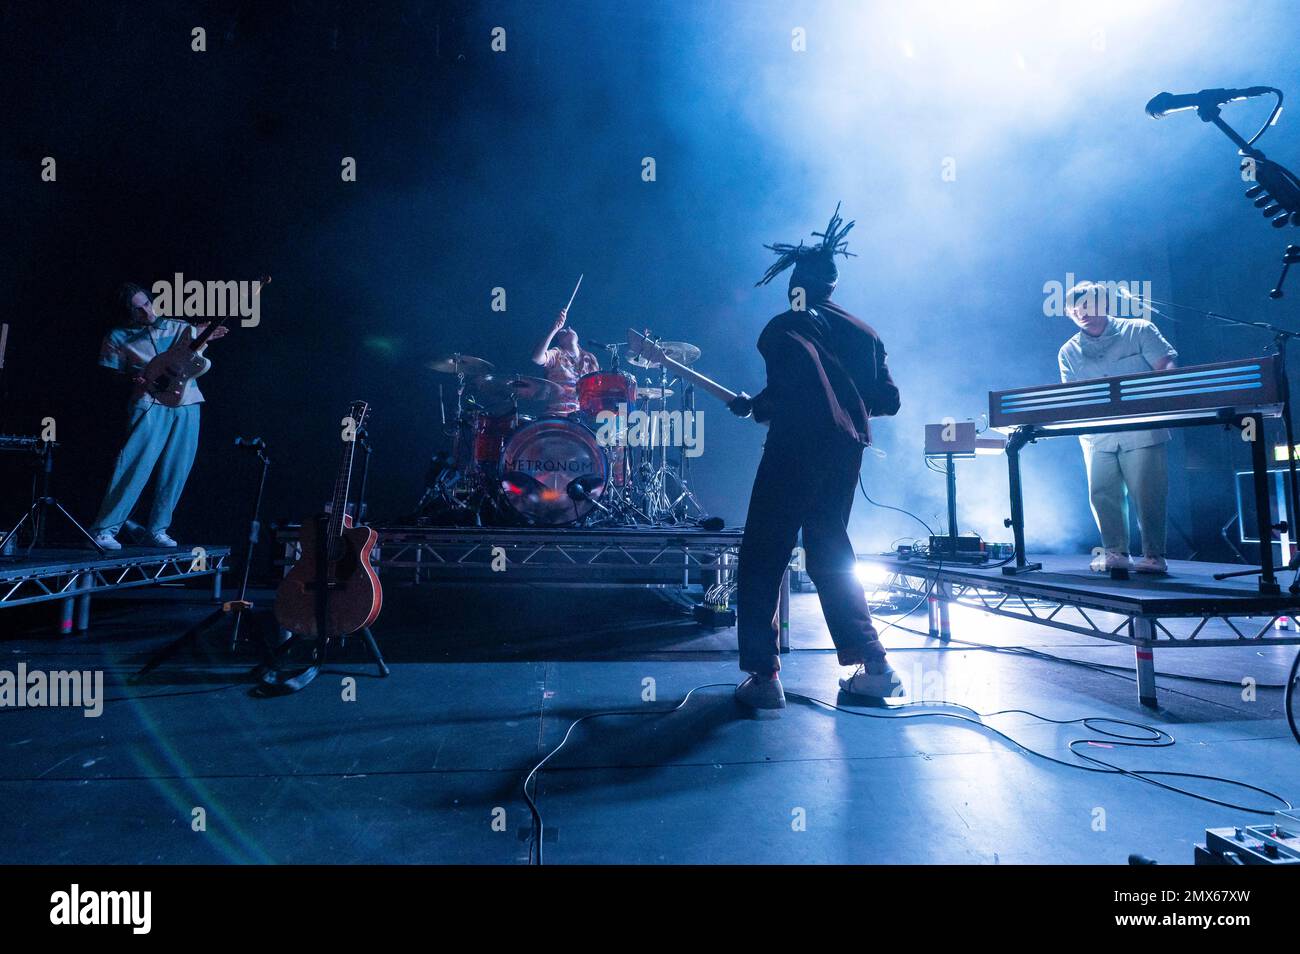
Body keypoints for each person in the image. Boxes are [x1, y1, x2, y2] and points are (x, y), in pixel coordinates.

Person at [729, 205, 902, 710]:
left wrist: (757, 406)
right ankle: (875, 668)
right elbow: (888, 400)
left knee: (764, 554)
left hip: (795, 450)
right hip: (844, 453)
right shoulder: (866, 333)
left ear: (794, 285)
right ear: (834, 285)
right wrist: (846, 403)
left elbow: (794, 390)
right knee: (830, 551)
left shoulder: (782, 327)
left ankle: (764, 680)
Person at [89, 283, 226, 550]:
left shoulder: (176, 327)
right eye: (138, 309)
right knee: (133, 465)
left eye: (147, 304)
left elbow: (193, 354)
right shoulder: (117, 336)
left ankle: (157, 529)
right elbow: (109, 375)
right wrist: (134, 378)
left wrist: (202, 335)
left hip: (187, 403)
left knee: (176, 469)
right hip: (148, 402)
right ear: (126, 312)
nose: (147, 312)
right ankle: (105, 529)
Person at [1058, 281, 1177, 574]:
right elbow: (1070, 396)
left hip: (1141, 429)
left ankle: (1154, 556)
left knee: (1148, 493)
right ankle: (1115, 552)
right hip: (1097, 434)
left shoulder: (1140, 330)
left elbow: (1166, 367)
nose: (1081, 312)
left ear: (1105, 305)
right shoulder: (1068, 351)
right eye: (1075, 308)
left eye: (1087, 304)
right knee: (1102, 494)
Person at [530, 308, 600, 417]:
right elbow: (537, 358)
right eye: (562, 331)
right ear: (559, 341)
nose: (568, 328)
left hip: (581, 418)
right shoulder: (557, 354)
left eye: (569, 328)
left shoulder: (589, 358)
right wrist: (554, 329)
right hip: (556, 414)